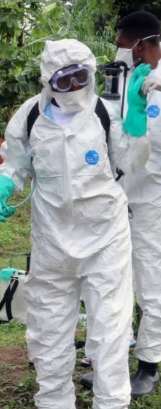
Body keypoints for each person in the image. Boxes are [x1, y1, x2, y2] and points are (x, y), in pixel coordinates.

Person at [0, 39, 151, 408]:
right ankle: (55, 402)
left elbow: (133, 163)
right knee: (48, 331)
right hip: (52, 244)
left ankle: (111, 403)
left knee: (110, 330)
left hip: (105, 238)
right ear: (49, 81)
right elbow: (14, 164)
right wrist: (2, 187)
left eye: (82, 77)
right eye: (65, 80)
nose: (75, 87)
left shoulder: (106, 113)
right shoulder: (30, 117)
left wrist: (138, 126)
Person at [81, 11, 161, 399]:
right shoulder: (126, 77)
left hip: (151, 200)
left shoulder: (157, 83)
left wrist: (136, 118)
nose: (120, 51)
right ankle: (110, 362)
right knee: (111, 282)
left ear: (142, 45)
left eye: (124, 43)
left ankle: (149, 364)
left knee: (149, 281)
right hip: (120, 196)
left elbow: (150, 147)